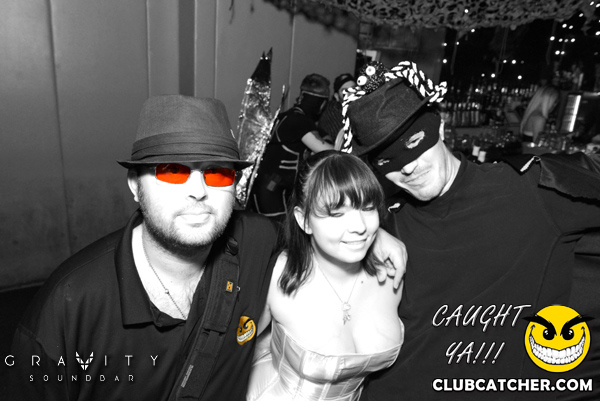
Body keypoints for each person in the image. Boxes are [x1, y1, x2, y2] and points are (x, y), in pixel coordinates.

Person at [7, 95, 407, 401]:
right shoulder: (72, 303)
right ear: (134, 186)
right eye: (172, 171)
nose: (198, 190)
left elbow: (316, 229)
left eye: (216, 173)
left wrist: (372, 234)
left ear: (235, 187)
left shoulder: (256, 241)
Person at [341, 60, 600, 400]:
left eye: (414, 141)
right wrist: (369, 233)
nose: (409, 167)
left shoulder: (531, 191)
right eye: (387, 160)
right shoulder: (384, 221)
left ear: (440, 128)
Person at [246, 150, 404, 401]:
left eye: (368, 208)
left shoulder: (391, 270)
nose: (360, 227)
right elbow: (229, 355)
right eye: (337, 213)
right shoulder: (279, 275)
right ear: (304, 221)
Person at [248, 73, 334, 219]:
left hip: (267, 187)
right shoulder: (299, 121)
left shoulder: (287, 116)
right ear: (321, 103)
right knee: (277, 230)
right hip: (272, 189)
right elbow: (326, 150)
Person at [318, 73, 356, 145]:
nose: (351, 93)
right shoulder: (332, 113)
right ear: (337, 96)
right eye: (344, 91)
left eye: (353, 88)